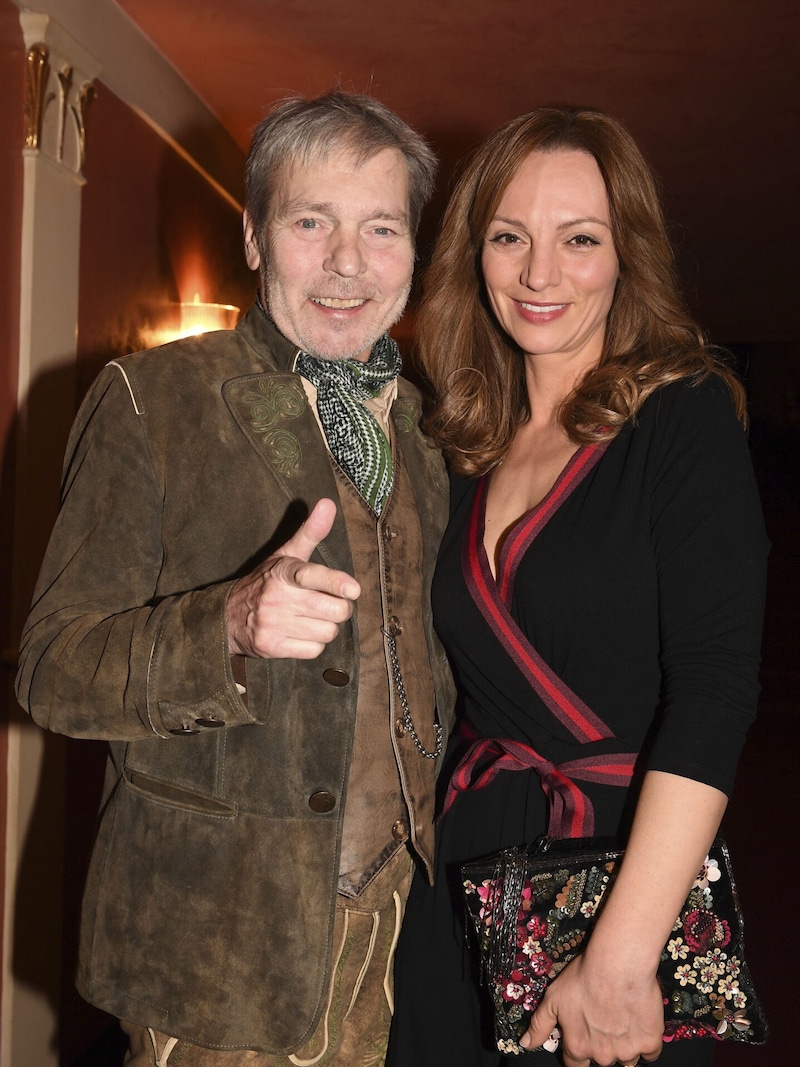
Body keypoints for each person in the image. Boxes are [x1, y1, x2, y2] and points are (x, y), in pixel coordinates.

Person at [16, 89, 455, 1066]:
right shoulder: (152, 400)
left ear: (412, 251)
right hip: (217, 945)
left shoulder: (423, 435)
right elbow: (51, 669)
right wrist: (225, 626)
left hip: (388, 930)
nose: (348, 262)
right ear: (254, 236)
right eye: (311, 222)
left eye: (379, 227)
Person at [387, 106, 768, 1067]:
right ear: (474, 253)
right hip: (460, 886)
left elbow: (716, 690)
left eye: (579, 240)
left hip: (615, 885)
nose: (540, 275)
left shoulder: (683, 419)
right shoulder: (462, 440)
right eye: (509, 238)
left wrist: (622, 957)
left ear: (626, 253)